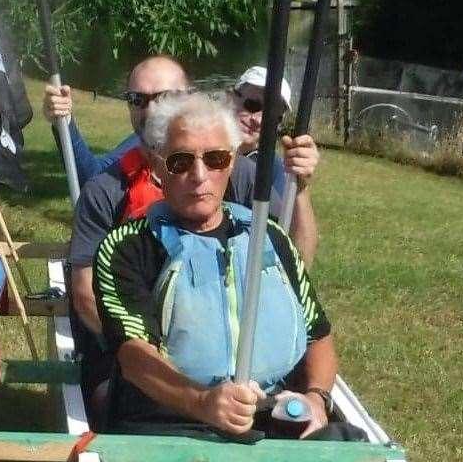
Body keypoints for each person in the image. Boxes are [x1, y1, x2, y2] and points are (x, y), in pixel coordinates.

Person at [92, 92, 359, 462]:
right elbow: (133, 355)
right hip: (163, 446)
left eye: (214, 159)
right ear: (157, 168)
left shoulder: (268, 238)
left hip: (257, 448)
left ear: (231, 163)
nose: (199, 175)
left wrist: (317, 398)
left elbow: (317, 332)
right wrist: (202, 402)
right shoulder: (127, 247)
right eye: (180, 162)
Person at [64, 58, 321, 413]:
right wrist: (175, 369)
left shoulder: (244, 179)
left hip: (245, 372)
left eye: (164, 97)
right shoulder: (107, 196)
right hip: (132, 357)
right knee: (110, 397)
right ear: (159, 167)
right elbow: (86, 298)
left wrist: (301, 190)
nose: (152, 109)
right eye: (138, 100)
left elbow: (294, 267)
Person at [227, 65, 319, 265]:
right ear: (229, 98)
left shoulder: (275, 169)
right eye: (252, 105)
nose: (258, 120)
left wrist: (301, 186)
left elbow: (301, 261)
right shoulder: (194, 147)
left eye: (272, 117)